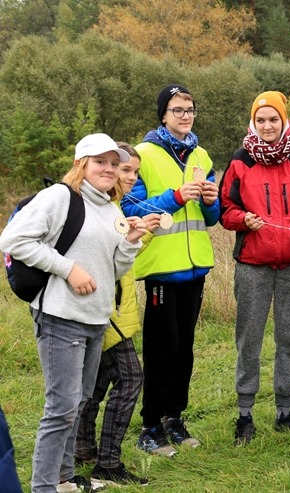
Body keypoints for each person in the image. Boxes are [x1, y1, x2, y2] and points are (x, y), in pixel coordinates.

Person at [0, 133, 147, 492]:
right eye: (101, 162)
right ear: (81, 164)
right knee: (62, 407)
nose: (109, 169)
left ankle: (64, 479)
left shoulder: (112, 209)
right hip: (60, 317)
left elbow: (112, 270)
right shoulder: (60, 197)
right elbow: (12, 240)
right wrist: (68, 269)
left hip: (96, 319)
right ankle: (44, 486)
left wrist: (129, 244)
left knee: (79, 403)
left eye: (114, 164)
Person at [121, 84, 220, 455]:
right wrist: (177, 197)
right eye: (177, 110)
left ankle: (174, 419)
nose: (185, 115)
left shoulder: (202, 154)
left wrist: (211, 201)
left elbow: (211, 218)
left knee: (185, 351)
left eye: (190, 109)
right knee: (163, 348)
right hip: (162, 268)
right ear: (163, 114)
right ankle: (149, 426)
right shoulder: (143, 154)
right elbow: (131, 209)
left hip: (196, 267)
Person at [220, 91, 290, 444]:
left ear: (284, 121)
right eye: (260, 120)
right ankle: (245, 413)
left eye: (273, 119)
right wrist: (243, 219)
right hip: (253, 266)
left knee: (289, 340)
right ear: (253, 123)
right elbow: (225, 210)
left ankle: (285, 411)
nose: (267, 126)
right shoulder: (240, 160)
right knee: (249, 339)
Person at [74, 143, 157, 487]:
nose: (128, 177)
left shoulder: (114, 208)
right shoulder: (94, 208)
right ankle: (107, 462)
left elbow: (123, 260)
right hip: (103, 313)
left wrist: (142, 233)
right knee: (130, 379)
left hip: (116, 313)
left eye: (133, 171)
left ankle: (83, 447)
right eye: (124, 169)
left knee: (96, 383)